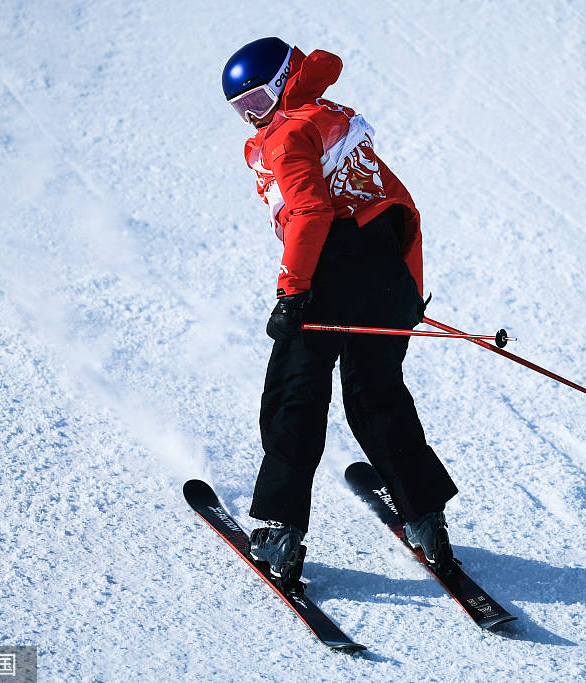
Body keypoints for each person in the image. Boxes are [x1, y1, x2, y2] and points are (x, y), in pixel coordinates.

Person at [221, 37, 459, 581]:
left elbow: (308, 212)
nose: (252, 117)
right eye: (241, 109)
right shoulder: (328, 115)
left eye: (257, 100)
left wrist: (291, 290)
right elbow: (395, 202)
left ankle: (281, 531)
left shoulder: (286, 134)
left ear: (283, 81)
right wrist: (407, 293)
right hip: (385, 274)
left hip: (328, 274)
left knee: (294, 395)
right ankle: (425, 516)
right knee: (377, 393)